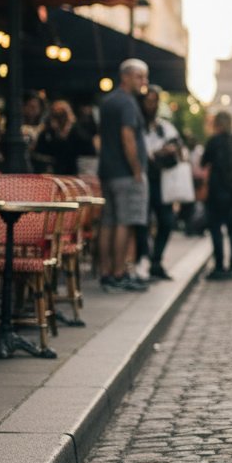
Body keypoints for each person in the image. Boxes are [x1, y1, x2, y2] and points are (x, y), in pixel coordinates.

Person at [97, 59, 151, 293]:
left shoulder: (107, 102)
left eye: (145, 77)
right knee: (125, 223)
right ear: (125, 77)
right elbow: (127, 137)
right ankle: (119, 273)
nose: (144, 82)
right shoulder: (128, 103)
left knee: (108, 222)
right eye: (140, 76)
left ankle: (105, 273)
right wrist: (137, 170)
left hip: (107, 172)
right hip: (126, 174)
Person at [136, 85, 182, 281]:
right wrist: (155, 153)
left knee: (167, 221)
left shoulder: (165, 127)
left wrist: (171, 150)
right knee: (142, 223)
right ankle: (142, 259)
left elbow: (179, 148)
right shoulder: (136, 126)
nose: (152, 105)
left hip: (163, 182)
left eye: (155, 101)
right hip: (142, 180)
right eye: (148, 101)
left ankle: (156, 261)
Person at [201, 110, 232, 280]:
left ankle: (219, 267)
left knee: (216, 229)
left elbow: (203, 162)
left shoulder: (214, 141)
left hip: (217, 192)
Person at [31, 100, 94, 175]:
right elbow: (40, 151)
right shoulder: (48, 132)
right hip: (54, 169)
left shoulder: (77, 130)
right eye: (56, 114)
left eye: (62, 114)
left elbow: (87, 149)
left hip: (74, 170)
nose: (60, 118)